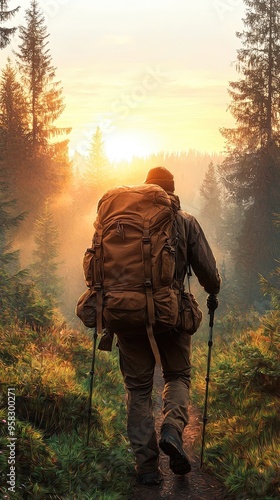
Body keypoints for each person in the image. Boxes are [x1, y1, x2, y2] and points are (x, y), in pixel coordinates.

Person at [111, 166, 221, 486]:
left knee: (139, 389)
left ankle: (146, 467)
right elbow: (209, 274)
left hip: (127, 315)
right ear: (171, 191)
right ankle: (172, 429)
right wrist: (212, 292)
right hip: (170, 314)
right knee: (177, 375)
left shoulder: (123, 222)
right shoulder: (184, 221)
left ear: (147, 190)